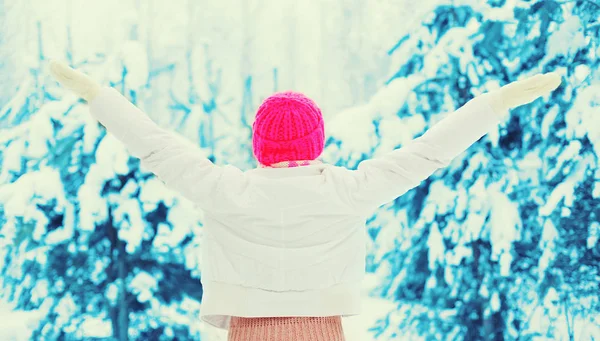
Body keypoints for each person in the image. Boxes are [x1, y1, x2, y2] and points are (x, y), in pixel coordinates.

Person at [49, 60, 561, 341]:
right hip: (323, 332)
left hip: (248, 334)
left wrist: (96, 94)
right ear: (316, 142)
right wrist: (495, 102)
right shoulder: (348, 191)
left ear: (259, 144)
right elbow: (427, 153)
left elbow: (156, 144)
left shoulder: (226, 190)